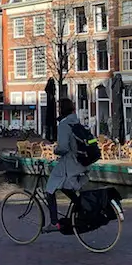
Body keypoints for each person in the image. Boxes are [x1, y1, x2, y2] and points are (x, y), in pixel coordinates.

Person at [43, 97, 87, 233]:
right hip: (81, 163)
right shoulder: (76, 121)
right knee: (64, 186)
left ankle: (54, 223)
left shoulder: (64, 124)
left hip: (69, 163)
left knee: (49, 189)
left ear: (61, 110)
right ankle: (82, 205)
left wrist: (54, 150)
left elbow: (63, 148)